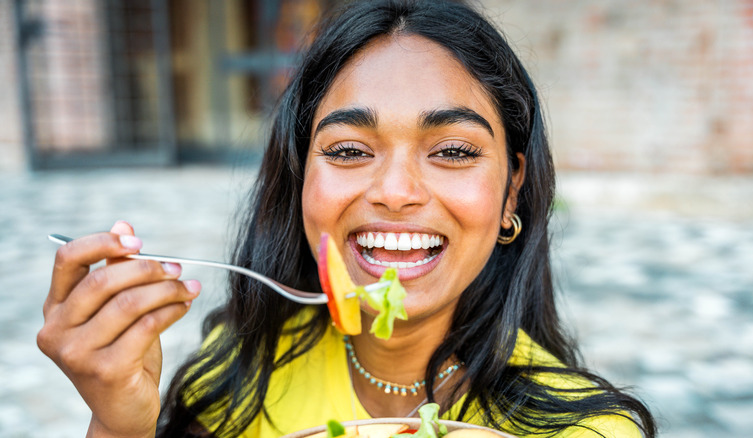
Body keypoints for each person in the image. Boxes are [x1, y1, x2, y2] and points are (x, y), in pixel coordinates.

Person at [37, 1, 657, 437]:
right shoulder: (238, 374)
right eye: (349, 151)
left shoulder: (587, 430)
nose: (394, 191)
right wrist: (119, 426)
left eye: (454, 151)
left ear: (511, 192)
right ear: (300, 177)